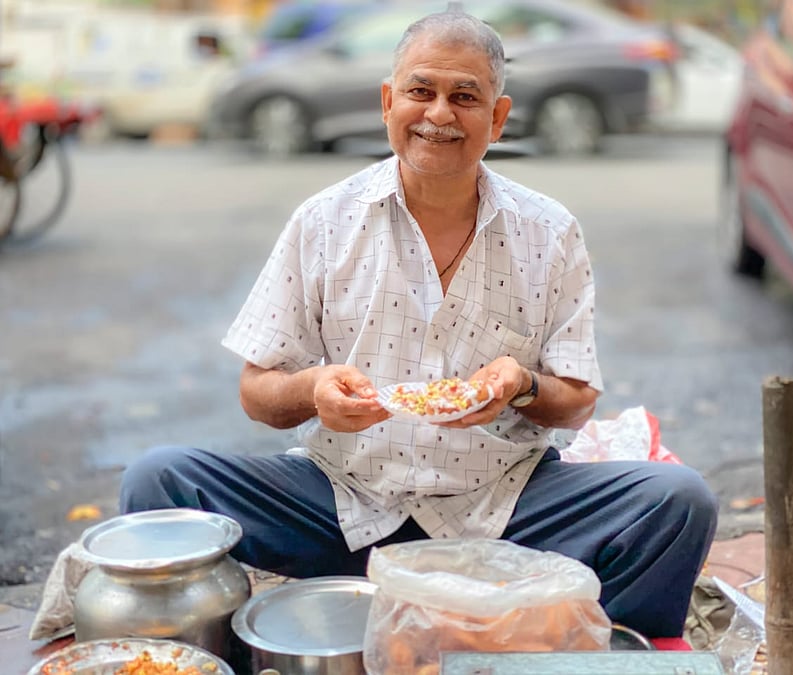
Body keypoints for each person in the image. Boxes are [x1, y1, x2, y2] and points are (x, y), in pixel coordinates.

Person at [120, 9, 717, 640]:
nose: (439, 114)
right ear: (387, 101)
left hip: (506, 509)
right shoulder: (323, 221)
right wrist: (313, 391)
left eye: (465, 97)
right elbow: (257, 389)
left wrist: (521, 385)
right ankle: (229, 644)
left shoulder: (549, 231)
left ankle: (605, 653)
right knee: (158, 480)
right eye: (420, 91)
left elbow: (575, 403)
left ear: (499, 116)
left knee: (676, 501)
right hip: (342, 503)